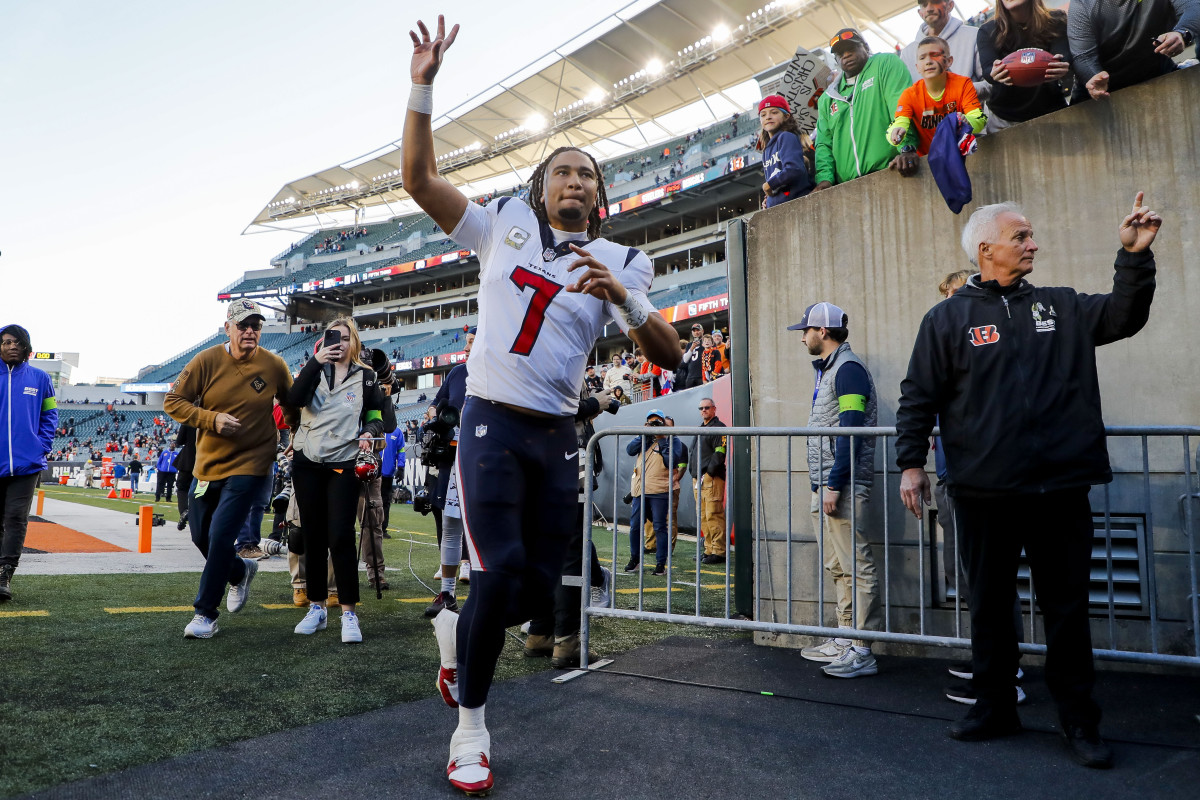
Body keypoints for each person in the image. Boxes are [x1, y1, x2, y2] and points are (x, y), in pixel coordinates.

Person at [402, 15, 680, 794]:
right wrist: (422, 85)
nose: (574, 181)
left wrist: (624, 301)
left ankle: (456, 647)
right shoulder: (503, 227)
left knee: (532, 591)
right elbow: (419, 182)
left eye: (586, 173)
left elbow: (671, 355)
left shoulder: (626, 259)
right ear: (540, 186)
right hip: (490, 419)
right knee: (500, 572)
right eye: (561, 170)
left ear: (600, 193)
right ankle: (470, 731)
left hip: (557, 429)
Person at [895, 193, 1161, 767]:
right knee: (990, 605)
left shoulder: (1061, 306)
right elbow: (918, 396)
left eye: (1031, 235)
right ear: (986, 249)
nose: (1032, 243)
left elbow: (1123, 314)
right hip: (983, 491)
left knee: (1067, 610)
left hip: (1061, 488)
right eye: (1021, 236)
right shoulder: (946, 318)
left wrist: (1134, 258)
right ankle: (995, 706)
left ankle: (1079, 722)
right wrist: (910, 464)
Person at [164, 300, 296, 639]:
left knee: (222, 536)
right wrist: (212, 419)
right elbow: (173, 401)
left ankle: (205, 614)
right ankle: (239, 571)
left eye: (256, 325)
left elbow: (292, 404)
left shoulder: (274, 364)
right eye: (243, 325)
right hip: (207, 465)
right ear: (228, 328)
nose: (250, 331)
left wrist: (295, 434)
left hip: (252, 463)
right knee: (201, 536)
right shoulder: (205, 361)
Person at [788, 302, 883, 678]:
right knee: (837, 565)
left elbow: (851, 430)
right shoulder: (831, 369)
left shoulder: (848, 370)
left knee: (856, 565)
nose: (802, 337)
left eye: (805, 330)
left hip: (839, 484)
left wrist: (833, 483)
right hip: (825, 483)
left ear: (822, 332)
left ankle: (862, 648)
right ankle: (845, 636)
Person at [286, 318, 387, 643]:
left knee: (341, 535)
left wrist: (370, 433)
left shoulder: (367, 378)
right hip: (309, 461)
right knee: (312, 537)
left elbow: (377, 415)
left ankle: (348, 613)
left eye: (345, 338)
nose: (339, 343)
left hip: (343, 461)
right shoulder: (313, 370)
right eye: (333, 338)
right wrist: (315, 361)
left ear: (354, 341)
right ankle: (316, 607)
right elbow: (293, 398)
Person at [814, 29, 919, 191]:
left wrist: (907, 148)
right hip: (849, 187)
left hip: (891, 171)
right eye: (840, 53)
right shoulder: (827, 98)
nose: (846, 55)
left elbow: (900, 107)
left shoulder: (885, 64)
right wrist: (824, 179)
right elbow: (824, 144)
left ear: (865, 47)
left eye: (851, 48)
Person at [0, 325, 57, 602]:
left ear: (25, 347)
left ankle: (5, 574)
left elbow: (50, 416)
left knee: (15, 518)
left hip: (27, 465)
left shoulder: (40, 377)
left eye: (16, 342)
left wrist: (41, 447)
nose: (11, 346)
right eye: (5, 342)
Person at [1068, 0, 1199, 102]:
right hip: (1102, 96)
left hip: (1158, 76)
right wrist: (1093, 76)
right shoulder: (1083, 3)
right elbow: (1083, 56)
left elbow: (1193, 7)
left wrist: (1183, 33)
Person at [978, 0, 1073, 127]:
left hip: (1052, 109)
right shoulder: (987, 30)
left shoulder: (1056, 20)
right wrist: (995, 72)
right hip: (1004, 119)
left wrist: (1062, 65)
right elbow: (988, 70)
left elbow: (1063, 57)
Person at [887, 36, 987, 157]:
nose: (928, 61)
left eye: (935, 55)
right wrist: (896, 132)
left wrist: (968, 121)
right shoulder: (909, 94)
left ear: (949, 61)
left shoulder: (963, 84)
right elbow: (899, 122)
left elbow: (979, 118)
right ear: (917, 67)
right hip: (928, 159)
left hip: (960, 155)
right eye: (922, 58)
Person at [626, 409, 688, 576]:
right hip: (640, 490)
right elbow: (630, 450)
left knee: (660, 526)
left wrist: (661, 440)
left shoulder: (673, 440)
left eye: (657, 422)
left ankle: (661, 563)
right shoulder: (644, 437)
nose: (654, 425)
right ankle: (634, 559)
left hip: (660, 490)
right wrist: (643, 434)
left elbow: (671, 462)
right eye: (651, 422)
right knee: (635, 526)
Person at [899, 0, 989, 104]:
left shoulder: (973, 36)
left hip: (970, 116)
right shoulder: (907, 53)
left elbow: (990, 84)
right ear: (920, 12)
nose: (929, 8)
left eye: (935, 2)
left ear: (950, 5)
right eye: (924, 4)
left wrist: (960, 90)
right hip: (928, 119)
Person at [755, 94, 814, 209]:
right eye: (763, 114)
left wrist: (770, 185)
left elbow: (794, 169)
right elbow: (773, 184)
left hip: (797, 205)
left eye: (774, 112)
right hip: (779, 208)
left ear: (786, 116)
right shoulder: (766, 150)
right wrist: (768, 199)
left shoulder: (786, 137)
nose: (768, 117)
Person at [691, 398, 728, 564]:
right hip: (699, 479)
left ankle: (719, 551)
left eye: (707, 407)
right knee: (703, 517)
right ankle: (708, 549)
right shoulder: (702, 428)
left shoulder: (719, 428)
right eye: (701, 408)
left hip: (711, 478)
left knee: (713, 514)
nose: (704, 410)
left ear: (714, 409)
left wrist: (709, 473)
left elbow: (720, 452)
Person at [174, 425, 197, 530]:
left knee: (182, 488)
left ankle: (184, 511)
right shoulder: (211, 416)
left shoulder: (189, 419)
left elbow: (179, 440)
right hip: (204, 459)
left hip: (187, 460)